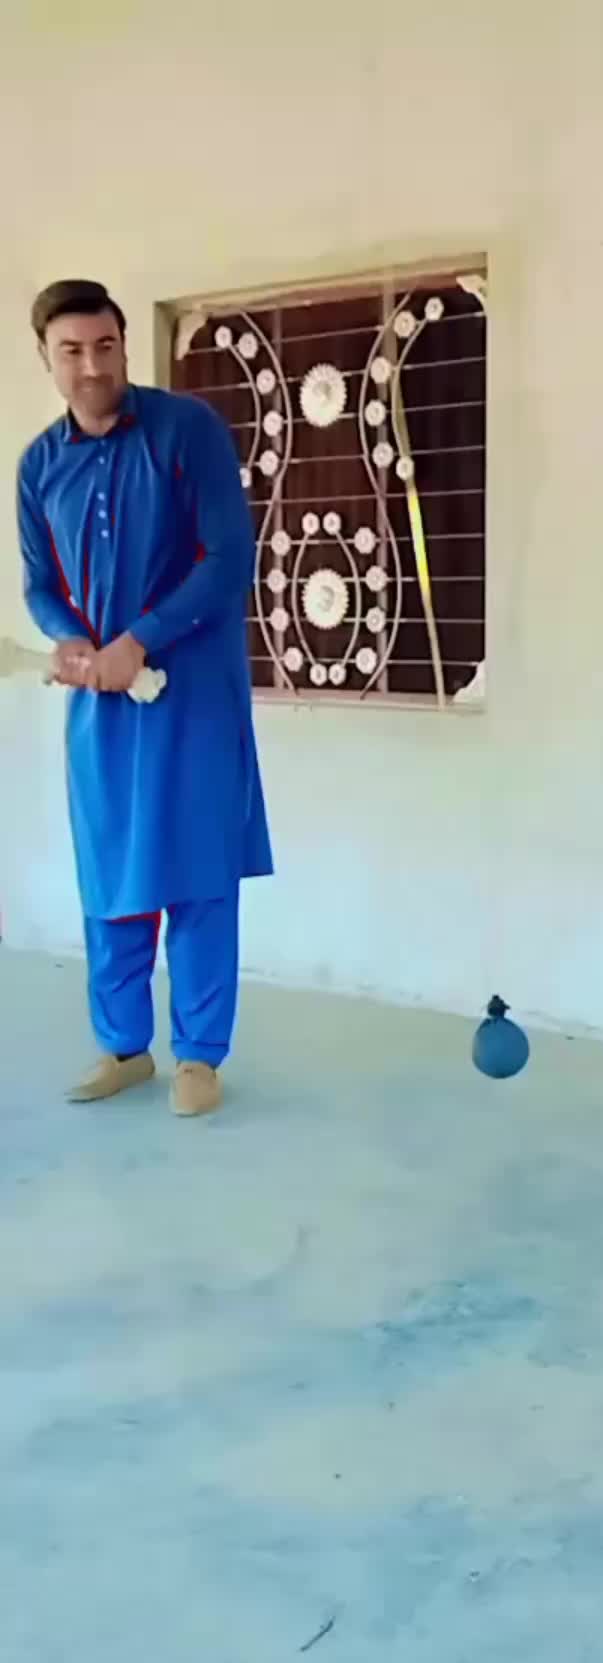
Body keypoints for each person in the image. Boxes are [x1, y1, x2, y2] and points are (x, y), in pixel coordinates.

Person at [17, 279, 272, 1116]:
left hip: (192, 694)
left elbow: (229, 559)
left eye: (105, 347)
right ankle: (124, 1048)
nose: (92, 366)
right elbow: (40, 583)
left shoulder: (186, 430)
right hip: (102, 703)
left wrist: (142, 639)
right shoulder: (38, 467)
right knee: (111, 871)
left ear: (124, 346)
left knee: (199, 872)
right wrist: (72, 640)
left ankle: (199, 1058)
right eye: (72, 351)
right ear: (46, 358)